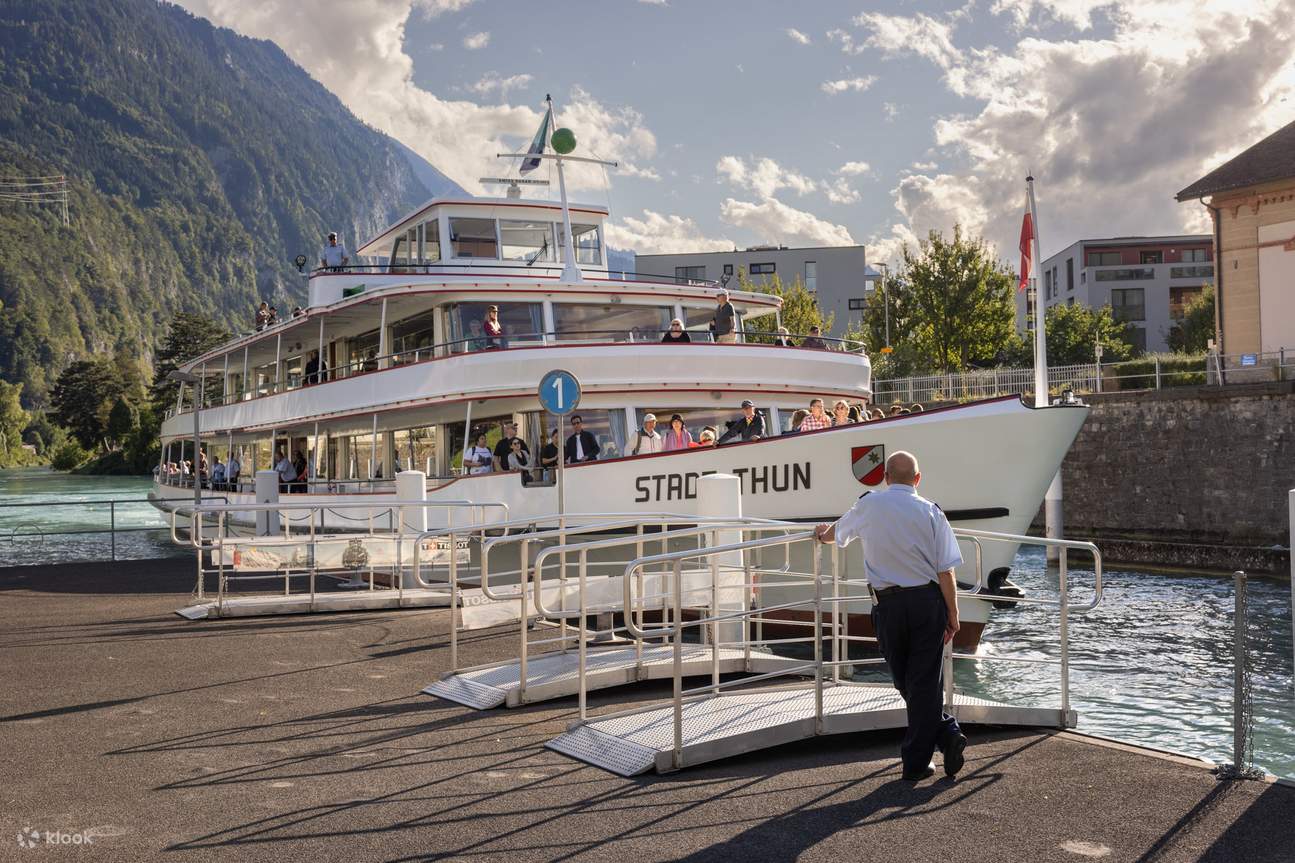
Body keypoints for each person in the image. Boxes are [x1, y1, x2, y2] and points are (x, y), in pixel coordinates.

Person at [814, 450, 967, 782]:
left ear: (884, 477)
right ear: (918, 478)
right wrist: (953, 614)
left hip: (887, 606)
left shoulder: (869, 504)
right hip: (927, 603)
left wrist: (822, 533)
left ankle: (916, 762)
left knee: (905, 680)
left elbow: (835, 534)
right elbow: (946, 570)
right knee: (921, 682)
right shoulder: (932, 512)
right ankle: (946, 733)